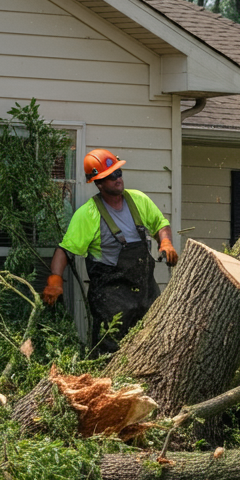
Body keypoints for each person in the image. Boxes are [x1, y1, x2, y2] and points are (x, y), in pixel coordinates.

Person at [42, 149, 178, 353]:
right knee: (110, 351)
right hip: (110, 298)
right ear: (98, 183)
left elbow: (160, 223)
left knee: (153, 343)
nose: (117, 178)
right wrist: (55, 279)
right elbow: (65, 250)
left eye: (118, 172)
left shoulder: (138, 200)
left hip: (145, 291)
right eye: (110, 176)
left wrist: (165, 242)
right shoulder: (88, 214)